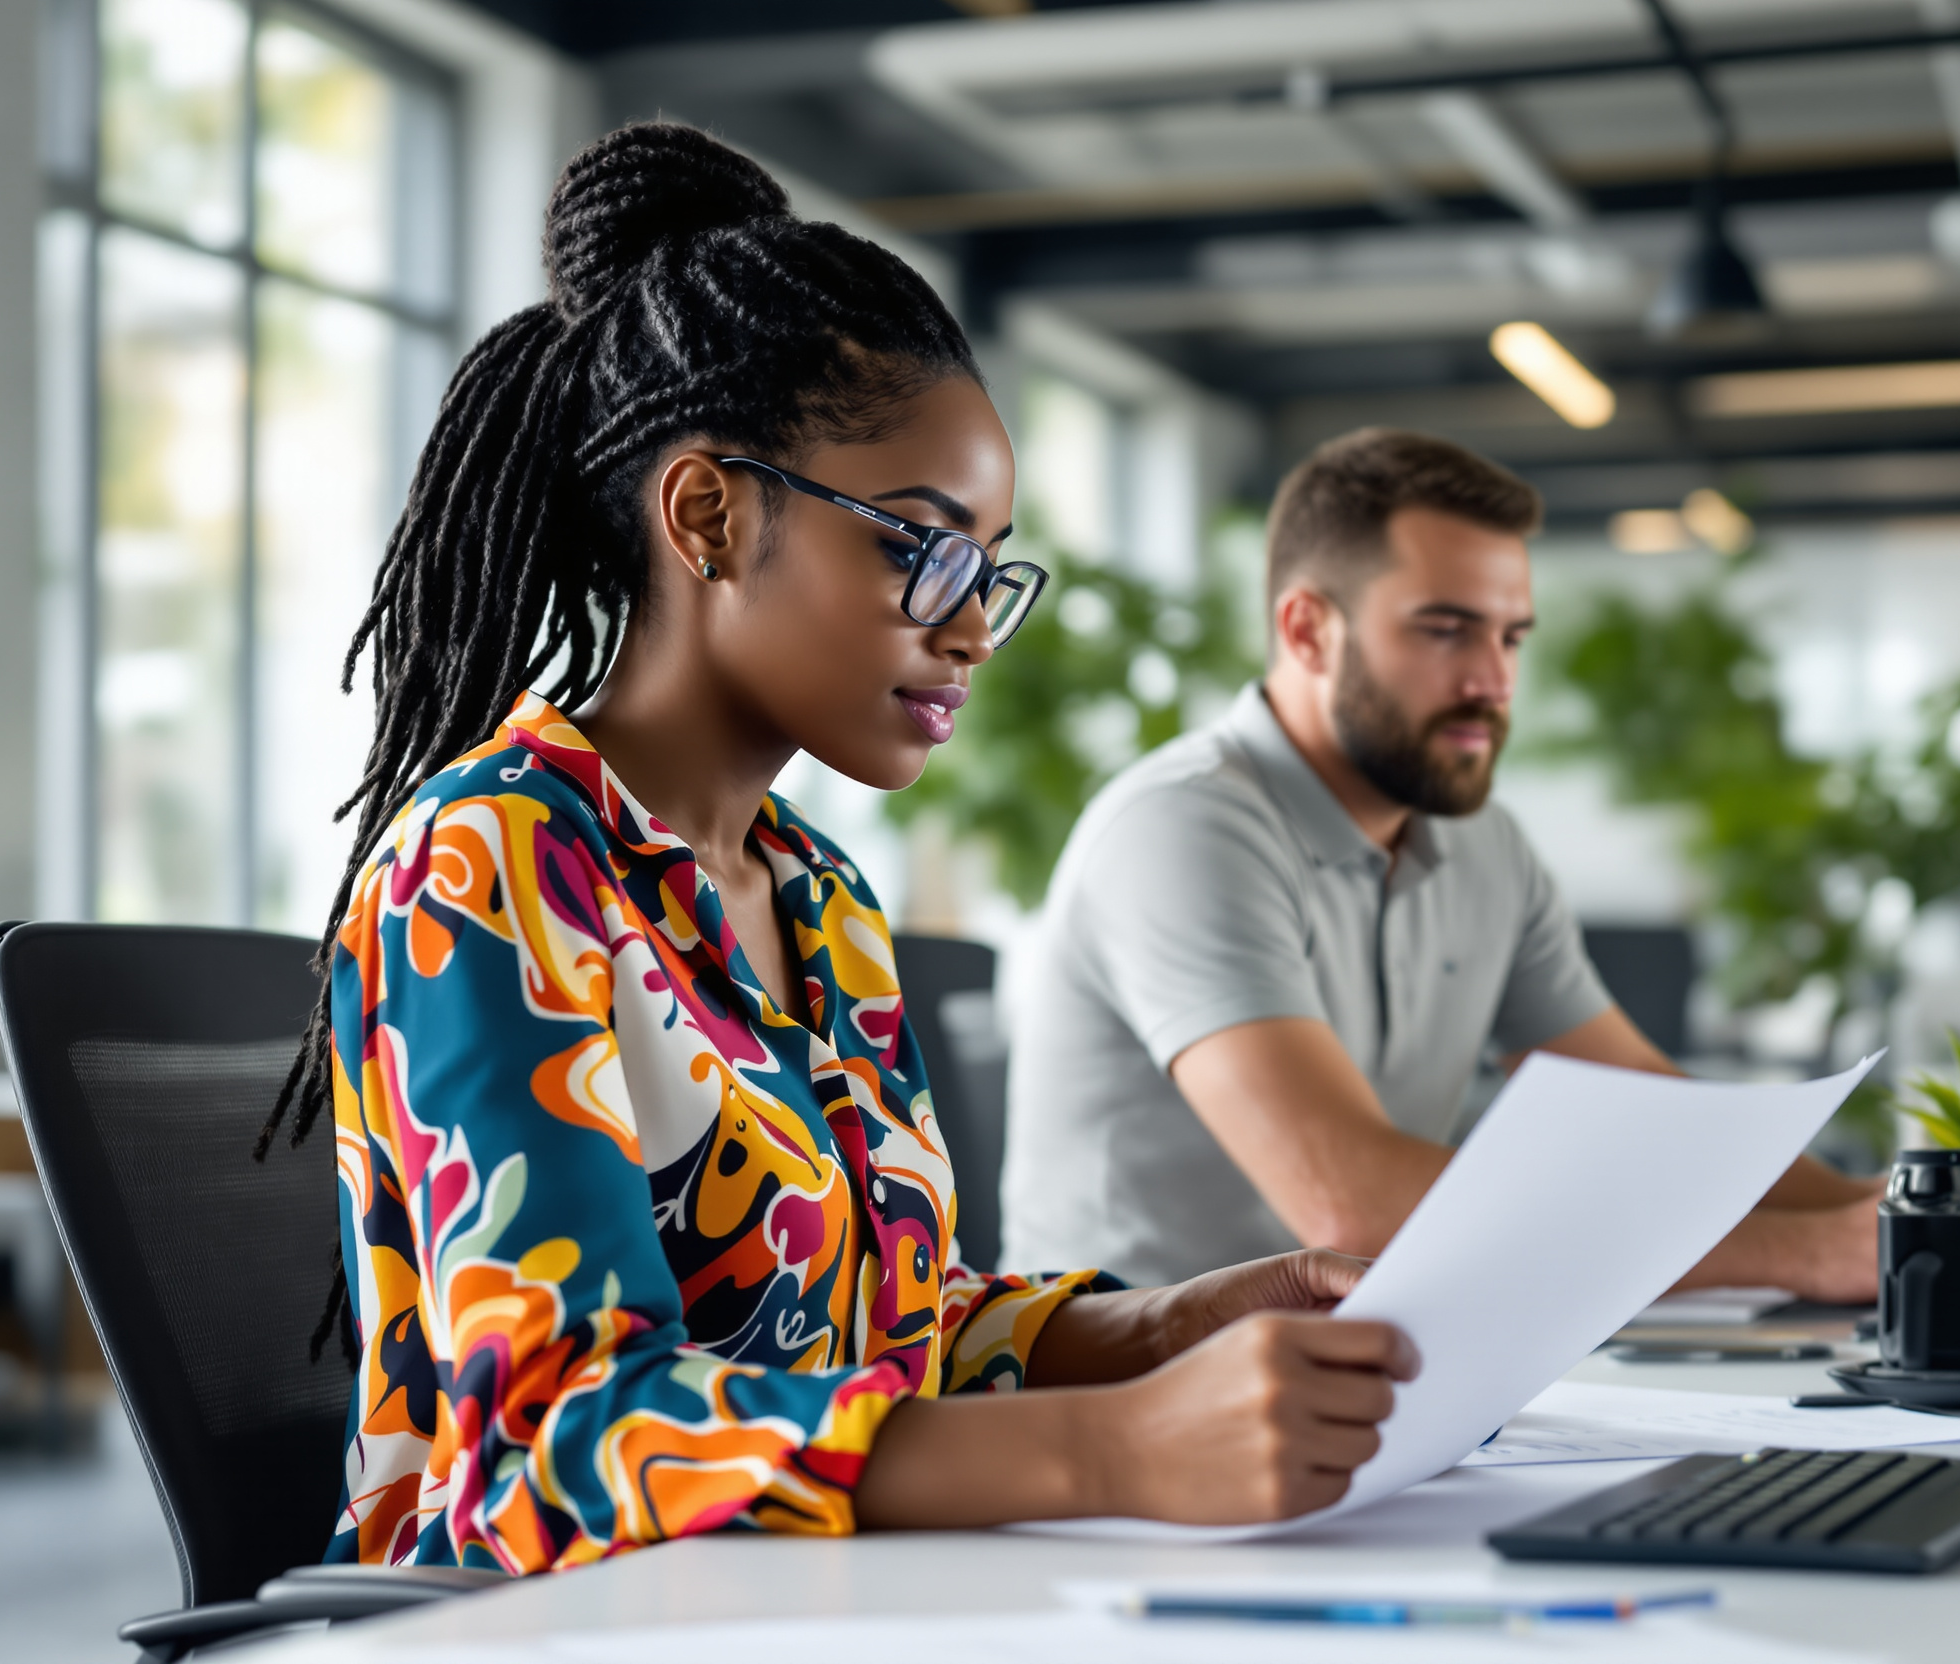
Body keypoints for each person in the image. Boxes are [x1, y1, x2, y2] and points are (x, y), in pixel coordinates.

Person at [256, 124, 1416, 1573]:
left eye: (989, 568)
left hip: (822, 1599)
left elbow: (894, 1337)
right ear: (709, 515)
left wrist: (1167, 1329)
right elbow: (554, 1449)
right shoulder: (490, 866)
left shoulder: (818, 896)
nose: (972, 623)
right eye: (920, 547)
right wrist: (1113, 1448)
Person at [1002, 428, 1883, 1296]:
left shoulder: (1483, 845)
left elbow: (1646, 1110)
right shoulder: (1184, 827)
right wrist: (1809, 1258)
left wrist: (1884, 1221)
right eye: (1446, 630)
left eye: (1509, 638)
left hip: (1364, 1371)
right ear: (1309, 631)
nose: (1493, 682)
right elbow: (1353, 1206)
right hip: (1126, 1394)